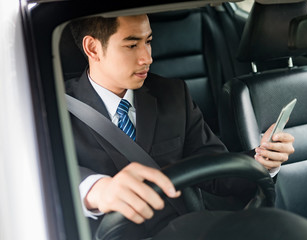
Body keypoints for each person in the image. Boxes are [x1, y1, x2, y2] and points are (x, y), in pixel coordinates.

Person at [66, 14, 295, 238]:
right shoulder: (51, 107)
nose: (147, 58)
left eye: (148, 42)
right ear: (93, 49)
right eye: (132, 45)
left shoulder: (172, 94)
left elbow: (216, 170)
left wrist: (261, 161)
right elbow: (45, 177)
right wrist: (95, 190)